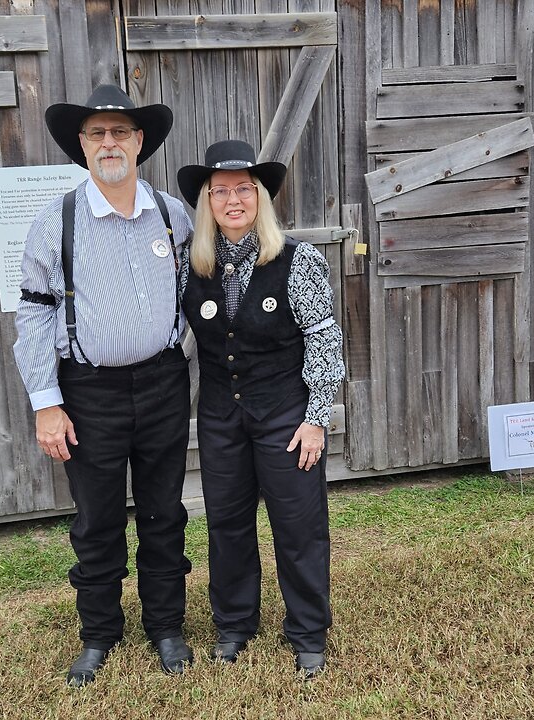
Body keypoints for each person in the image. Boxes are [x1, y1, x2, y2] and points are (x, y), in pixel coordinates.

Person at [12, 84, 195, 688]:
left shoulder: (174, 215)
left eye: (121, 131)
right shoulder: (54, 223)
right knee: (96, 519)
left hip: (165, 383)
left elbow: (204, 293)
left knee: (165, 512)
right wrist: (46, 403)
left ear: (140, 142)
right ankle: (99, 633)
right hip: (88, 393)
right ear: (82, 146)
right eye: (98, 133)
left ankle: (167, 627)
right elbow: (35, 314)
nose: (110, 142)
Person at [175, 140, 345, 679]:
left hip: (286, 418)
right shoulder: (191, 266)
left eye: (243, 190)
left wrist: (317, 417)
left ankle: (308, 633)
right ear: (207, 202)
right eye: (220, 191)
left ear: (261, 198)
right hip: (222, 419)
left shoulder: (297, 260)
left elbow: (324, 340)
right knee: (226, 525)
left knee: (298, 526)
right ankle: (234, 625)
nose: (232, 200)